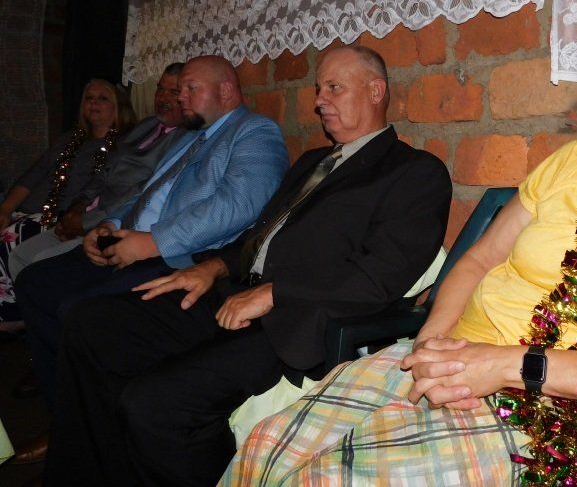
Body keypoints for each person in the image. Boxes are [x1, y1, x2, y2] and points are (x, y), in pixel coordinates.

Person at [221, 1, 577, 487]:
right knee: (264, 448)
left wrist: (506, 366)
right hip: (451, 359)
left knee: (330, 479)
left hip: (563, 420)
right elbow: (480, 257)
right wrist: (432, 345)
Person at [47, 45, 452, 486]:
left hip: (296, 321)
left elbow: (381, 276)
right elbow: (259, 237)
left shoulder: (414, 172)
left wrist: (278, 293)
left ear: (376, 91)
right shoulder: (313, 162)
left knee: (154, 405)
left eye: (334, 88)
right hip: (234, 293)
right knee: (90, 324)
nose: (319, 100)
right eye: (319, 89)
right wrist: (214, 268)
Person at [15, 55, 289, 413]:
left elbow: (239, 203)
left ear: (225, 90)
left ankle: (95, 413)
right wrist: (110, 224)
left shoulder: (254, 131)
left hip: (179, 255)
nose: (181, 97)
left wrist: (154, 242)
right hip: (130, 240)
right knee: (35, 282)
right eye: (180, 89)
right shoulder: (188, 137)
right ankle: (65, 406)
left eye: (191, 88)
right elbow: (146, 191)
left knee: (76, 311)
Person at [7, 63, 187, 280]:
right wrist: (78, 207)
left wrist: (85, 222)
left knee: (39, 267)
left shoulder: (184, 138)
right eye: (160, 89)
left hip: (111, 224)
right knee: (19, 257)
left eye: (173, 92)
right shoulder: (147, 125)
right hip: (80, 214)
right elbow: (103, 172)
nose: (162, 97)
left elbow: (142, 192)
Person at [0, 79, 136, 330]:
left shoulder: (124, 145)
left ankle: (14, 316)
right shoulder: (70, 139)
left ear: (119, 106)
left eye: (102, 98)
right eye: (89, 98)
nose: (94, 103)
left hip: (61, 218)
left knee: (8, 240)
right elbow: (33, 174)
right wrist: (6, 208)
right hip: (31, 210)